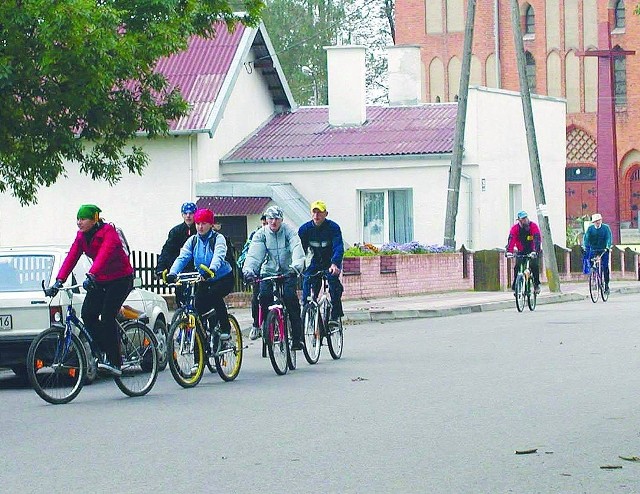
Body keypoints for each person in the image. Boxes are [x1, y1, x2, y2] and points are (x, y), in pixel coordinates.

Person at [45, 204, 134, 376]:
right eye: (77, 219)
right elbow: (71, 257)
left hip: (121, 279)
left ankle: (116, 361)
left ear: (94, 219)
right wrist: (58, 281)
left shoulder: (109, 232)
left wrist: (92, 274)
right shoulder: (81, 237)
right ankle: (103, 350)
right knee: (87, 314)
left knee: (108, 315)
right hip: (100, 279)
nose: (79, 223)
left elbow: (104, 254)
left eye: (83, 219)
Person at [242, 205, 305, 350]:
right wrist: (249, 270)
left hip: (288, 270)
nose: (273, 222)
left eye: (276, 219)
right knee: (264, 296)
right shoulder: (261, 234)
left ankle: (297, 338)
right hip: (269, 271)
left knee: (290, 298)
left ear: (281, 219)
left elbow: (297, 248)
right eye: (270, 219)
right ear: (267, 220)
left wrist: (296, 266)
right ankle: (266, 326)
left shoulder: (289, 231)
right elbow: (254, 254)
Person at [165, 208, 235, 339]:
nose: (200, 227)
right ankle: (201, 354)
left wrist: (212, 269)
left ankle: (225, 328)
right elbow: (183, 257)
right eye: (198, 223)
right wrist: (172, 273)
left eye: (204, 223)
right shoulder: (193, 241)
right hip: (204, 278)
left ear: (210, 224)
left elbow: (219, 255)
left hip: (222, 277)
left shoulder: (218, 239)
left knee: (214, 295)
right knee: (198, 307)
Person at [298, 200, 345, 327]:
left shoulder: (333, 227)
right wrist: (297, 265)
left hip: (331, 262)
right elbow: (300, 250)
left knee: (333, 281)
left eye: (320, 212)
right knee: (308, 279)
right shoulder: (305, 229)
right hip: (316, 262)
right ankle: (307, 306)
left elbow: (338, 247)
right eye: (314, 212)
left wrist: (335, 264)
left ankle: (335, 314)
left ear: (326, 214)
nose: (316, 215)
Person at [156, 202, 197, 306]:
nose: (188, 216)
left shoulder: (200, 229)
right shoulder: (176, 231)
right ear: (182, 214)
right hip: (182, 271)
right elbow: (167, 251)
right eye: (185, 213)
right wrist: (160, 268)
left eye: (191, 213)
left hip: (198, 269)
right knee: (181, 297)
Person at [240, 214, 268, 340]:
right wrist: (247, 270)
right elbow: (247, 253)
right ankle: (256, 325)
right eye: (264, 224)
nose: (266, 226)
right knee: (256, 298)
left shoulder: (279, 234)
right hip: (258, 271)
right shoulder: (255, 236)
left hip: (274, 271)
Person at [505, 210, 542, 294]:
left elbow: (537, 239)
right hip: (521, 250)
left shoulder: (533, 226)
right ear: (519, 220)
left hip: (532, 250)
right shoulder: (515, 228)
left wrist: (535, 251)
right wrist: (509, 251)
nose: (525, 220)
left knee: (534, 266)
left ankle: (536, 284)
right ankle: (516, 284)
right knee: (517, 266)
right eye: (523, 219)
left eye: (526, 218)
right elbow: (511, 239)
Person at [583, 212, 613, 294]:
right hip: (594, 249)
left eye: (599, 220)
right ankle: (594, 273)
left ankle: (606, 285)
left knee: (605, 266)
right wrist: (585, 247)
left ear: (601, 220)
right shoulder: (590, 229)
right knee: (590, 260)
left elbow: (609, 238)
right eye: (596, 221)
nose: (597, 222)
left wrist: (608, 246)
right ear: (593, 222)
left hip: (604, 249)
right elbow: (586, 238)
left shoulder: (606, 228)